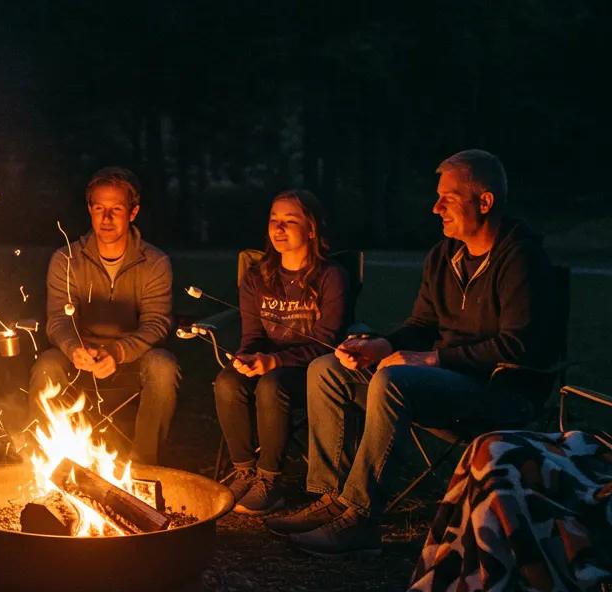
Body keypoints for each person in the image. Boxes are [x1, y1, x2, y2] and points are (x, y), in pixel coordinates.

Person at [271, 149, 555, 557]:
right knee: (327, 368)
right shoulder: (444, 255)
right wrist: (381, 346)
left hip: (501, 392)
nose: (436, 208)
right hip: (444, 383)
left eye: (447, 198)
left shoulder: (522, 259)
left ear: (485, 201)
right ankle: (332, 498)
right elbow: (422, 325)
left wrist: (433, 359)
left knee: (395, 380)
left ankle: (361, 519)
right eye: (437, 198)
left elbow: (518, 345)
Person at [28, 167, 179, 465]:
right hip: (79, 359)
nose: (106, 218)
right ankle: (49, 465)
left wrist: (118, 352)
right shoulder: (66, 259)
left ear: (133, 212)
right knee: (46, 365)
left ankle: (144, 466)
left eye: (116, 209)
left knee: (164, 367)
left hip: (133, 359)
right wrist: (74, 348)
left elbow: (156, 323)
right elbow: (58, 319)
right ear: (90, 209)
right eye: (99, 209)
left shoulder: (154, 262)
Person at [213, 190, 350, 513]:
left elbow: (326, 342)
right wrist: (247, 357)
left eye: (290, 221)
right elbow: (253, 336)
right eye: (274, 219)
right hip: (266, 362)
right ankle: (245, 472)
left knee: (272, 386)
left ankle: (270, 481)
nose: (278, 228)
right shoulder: (257, 276)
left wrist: (275, 361)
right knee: (227, 382)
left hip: (311, 370)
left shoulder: (331, 276)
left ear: (311, 230)